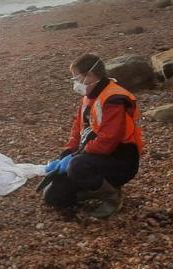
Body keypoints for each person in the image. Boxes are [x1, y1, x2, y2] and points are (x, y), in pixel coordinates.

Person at [41, 53, 143, 218]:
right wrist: (67, 152)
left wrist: (76, 156)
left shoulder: (114, 99)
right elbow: (78, 128)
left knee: (77, 166)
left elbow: (108, 141)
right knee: (54, 195)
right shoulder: (89, 97)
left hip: (121, 159)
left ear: (89, 75)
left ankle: (111, 196)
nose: (75, 83)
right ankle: (94, 188)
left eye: (76, 78)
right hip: (93, 157)